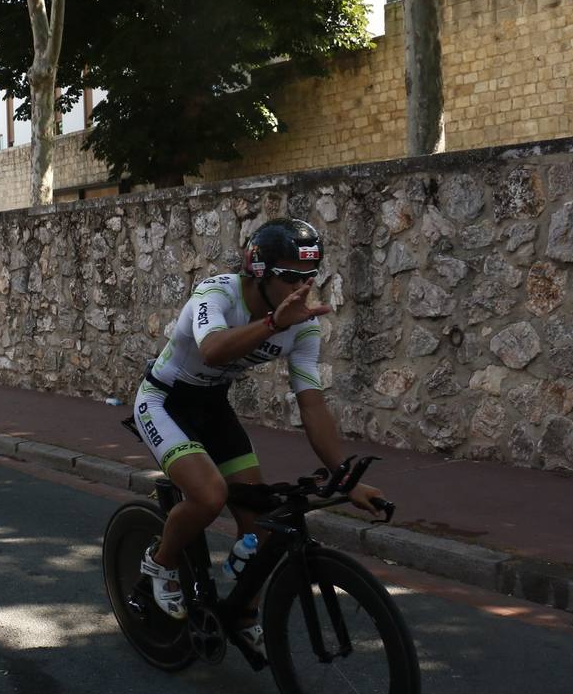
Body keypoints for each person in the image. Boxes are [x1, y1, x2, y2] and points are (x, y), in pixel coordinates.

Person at [133, 219, 387, 635]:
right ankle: (160, 562)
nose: (301, 288)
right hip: (164, 401)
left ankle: (244, 615)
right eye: (289, 277)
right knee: (209, 495)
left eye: (309, 277)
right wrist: (273, 325)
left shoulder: (303, 325)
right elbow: (212, 350)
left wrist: (345, 478)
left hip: (213, 407)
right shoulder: (217, 293)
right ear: (259, 271)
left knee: (263, 521)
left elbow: (312, 404)